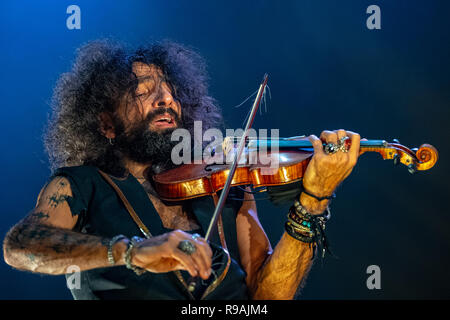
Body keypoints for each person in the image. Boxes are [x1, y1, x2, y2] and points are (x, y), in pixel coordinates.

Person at [2, 40, 361, 300]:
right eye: (143, 91)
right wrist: (131, 252)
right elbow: (20, 247)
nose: (165, 99)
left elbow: (267, 298)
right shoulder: (81, 185)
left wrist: (314, 198)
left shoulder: (224, 185)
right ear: (106, 123)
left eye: (171, 91)